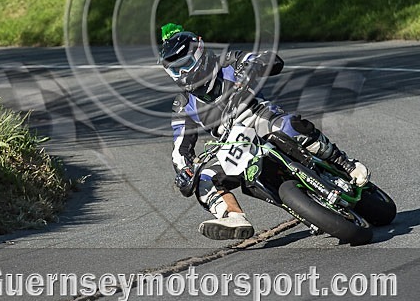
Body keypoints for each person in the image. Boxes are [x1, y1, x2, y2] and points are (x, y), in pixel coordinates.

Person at [158, 23, 369, 240]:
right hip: (232, 144)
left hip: (259, 116)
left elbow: (269, 58)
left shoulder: (228, 62)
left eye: (185, 65)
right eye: (175, 70)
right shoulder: (183, 104)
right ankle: (232, 216)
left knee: (288, 126)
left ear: (199, 54)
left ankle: (344, 163)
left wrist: (252, 68)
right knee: (205, 179)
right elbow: (180, 148)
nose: (182, 74)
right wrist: (184, 172)